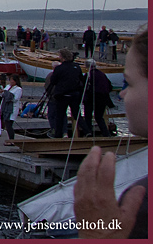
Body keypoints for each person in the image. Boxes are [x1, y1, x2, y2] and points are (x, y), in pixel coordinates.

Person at [74, 25, 147, 238]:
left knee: (92, 119)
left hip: (93, 104)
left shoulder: (138, 208)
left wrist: (95, 235)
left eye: (129, 83)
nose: (123, 94)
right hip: (98, 104)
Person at [49, 48, 84, 138]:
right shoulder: (76, 67)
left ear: (62, 57)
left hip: (62, 94)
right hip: (75, 94)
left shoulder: (59, 68)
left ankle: (58, 135)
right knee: (77, 114)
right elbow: (81, 79)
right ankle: (87, 131)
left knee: (60, 116)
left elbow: (53, 81)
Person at [80, 59, 112, 137]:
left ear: (87, 66)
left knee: (88, 116)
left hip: (91, 99)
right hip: (103, 99)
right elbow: (110, 86)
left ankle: (89, 133)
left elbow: (82, 86)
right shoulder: (102, 74)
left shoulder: (88, 75)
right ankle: (106, 134)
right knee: (99, 117)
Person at [1, 74, 23, 143]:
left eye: (11, 80)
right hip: (5, 106)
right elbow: (2, 95)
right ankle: (10, 139)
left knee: (9, 124)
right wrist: (2, 93)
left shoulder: (18, 89)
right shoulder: (8, 87)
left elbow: (15, 98)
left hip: (12, 108)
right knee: (6, 123)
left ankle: (11, 140)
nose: (10, 81)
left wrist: (8, 95)